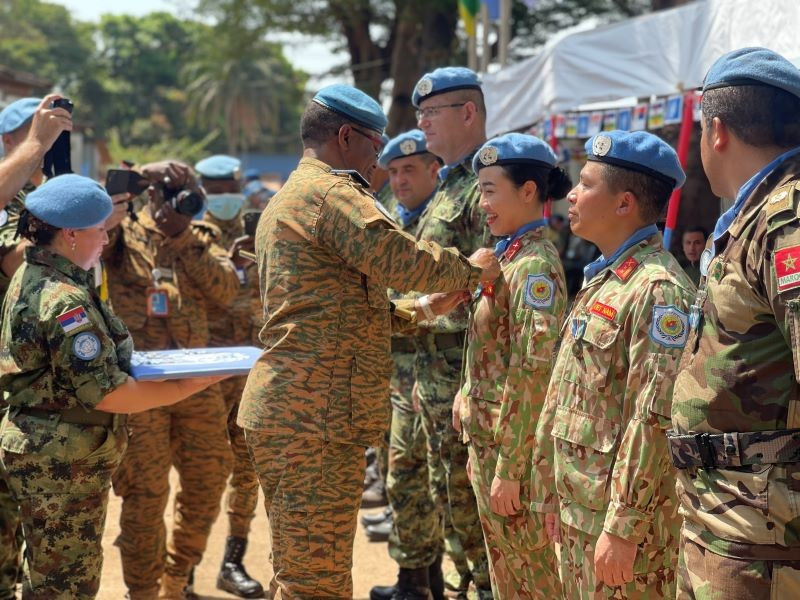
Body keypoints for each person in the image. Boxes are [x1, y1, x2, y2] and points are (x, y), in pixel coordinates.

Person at [237, 83, 500, 599]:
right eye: (375, 147)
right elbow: (400, 259)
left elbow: (335, 307)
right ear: (344, 136)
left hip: (301, 413)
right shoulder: (332, 194)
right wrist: (470, 270)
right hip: (311, 417)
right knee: (316, 581)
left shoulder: (293, 194)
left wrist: (418, 310)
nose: (378, 163)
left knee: (303, 571)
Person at [0, 174, 221, 599]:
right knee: (65, 587)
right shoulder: (65, 300)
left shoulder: (33, 274)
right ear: (70, 234)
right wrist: (194, 383)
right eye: (99, 230)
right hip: (61, 465)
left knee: (45, 576)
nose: (105, 238)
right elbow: (109, 393)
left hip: (46, 453)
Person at [531, 130, 695, 599]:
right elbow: (567, 392)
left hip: (619, 526)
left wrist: (623, 529)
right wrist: (548, 486)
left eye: (585, 183)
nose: (571, 194)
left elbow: (653, 419)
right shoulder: (605, 279)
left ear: (624, 204)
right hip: (579, 508)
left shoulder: (658, 290)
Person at [669, 47, 800, 599]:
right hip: (729, 516)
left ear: (715, 130)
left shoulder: (785, 220)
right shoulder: (753, 217)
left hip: (760, 534)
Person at [103, 160, 240, 599]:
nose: (178, 201)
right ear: (150, 194)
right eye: (167, 191)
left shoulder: (201, 238)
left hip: (196, 383)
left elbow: (226, 290)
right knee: (145, 494)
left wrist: (182, 236)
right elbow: (98, 225)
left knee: (207, 483)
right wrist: (140, 174)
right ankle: (142, 592)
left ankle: (176, 579)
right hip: (138, 384)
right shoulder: (117, 234)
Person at [449, 133, 570, 598]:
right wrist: (466, 389)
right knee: (505, 572)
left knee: (530, 575)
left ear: (528, 192)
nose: (482, 204)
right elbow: (490, 345)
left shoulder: (534, 265)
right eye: (480, 190)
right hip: (489, 440)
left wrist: (512, 467)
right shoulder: (505, 255)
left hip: (509, 450)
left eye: (490, 190)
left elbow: (534, 370)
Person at [410, 65, 494, 599]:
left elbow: (489, 287)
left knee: (472, 504)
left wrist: (470, 382)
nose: (422, 126)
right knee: (448, 499)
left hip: (465, 378)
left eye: (430, 114)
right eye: (418, 115)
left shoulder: (487, 183)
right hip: (434, 377)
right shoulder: (446, 186)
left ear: (467, 113)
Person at [368, 129, 449, 599]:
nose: (399, 180)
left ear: (433, 170)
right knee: (400, 473)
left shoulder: (444, 220)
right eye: (393, 171)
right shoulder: (389, 219)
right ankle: (415, 579)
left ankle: (426, 580)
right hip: (394, 367)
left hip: (435, 366)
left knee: (431, 478)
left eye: (409, 170)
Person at [0, 93, 73, 599]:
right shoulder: (12, 195)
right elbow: (15, 261)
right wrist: (33, 146)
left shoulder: (55, 195)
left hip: (39, 397)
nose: (46, 141)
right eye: (33, 131)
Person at [194, 154, 264, 599]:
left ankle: (231, 562)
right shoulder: (188, 236)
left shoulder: (263, 231)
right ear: (202, 190)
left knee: (247, 473)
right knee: (200, 475)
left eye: (229, 187)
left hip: (253, 370)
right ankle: (183, 568)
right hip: (204, 373)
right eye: (213, 189)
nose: (223, 196)